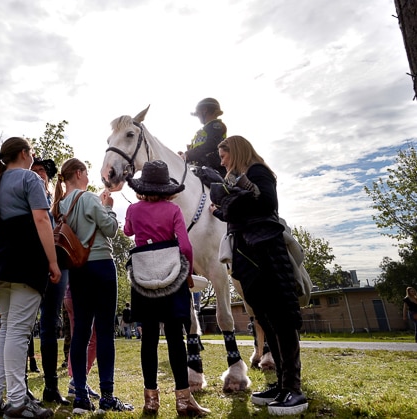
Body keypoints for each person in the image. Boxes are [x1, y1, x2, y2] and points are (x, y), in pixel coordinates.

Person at [210, 136, 308, 415]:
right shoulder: (238, 179)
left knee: (281, 317)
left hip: (266, 252)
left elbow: (267, 203)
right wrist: (221, 210)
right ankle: (280, 384)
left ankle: (294, 389)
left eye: (224, 155)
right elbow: (236, 213)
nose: (221, 161)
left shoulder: (257, 172)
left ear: (236, 151)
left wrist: (231, 200)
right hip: (246, 254)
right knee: (264, 317)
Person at [0, 137, 60, 419]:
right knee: (18, 331)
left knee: (6, 329)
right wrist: (52, 261)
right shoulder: (30, 179)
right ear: (25, 154)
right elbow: (41, 220)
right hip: (27, 258)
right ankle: (17, 401)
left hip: (1, 258)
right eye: (33, 153)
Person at [123, 160, 209, 417]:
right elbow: (185, 247)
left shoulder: (134, 210)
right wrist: (188, 275)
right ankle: (183, 400)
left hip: (144, 277)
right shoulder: (173, 211)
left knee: (148, 340)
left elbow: (128, 231)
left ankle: (151, 401)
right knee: (174, 338)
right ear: (166, 187)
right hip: (172, 276)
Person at [54, 158, 133, 414]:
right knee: (105, 332)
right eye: (86, 173)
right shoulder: (87, 199)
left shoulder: (62, 205)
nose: (89, 178)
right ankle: (107, 396)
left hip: (78, 271)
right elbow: (110, 229)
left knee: (81, 333)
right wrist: (108, 206)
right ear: (78, 173)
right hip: (101, 267)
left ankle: (80, 397)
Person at [29, 156, 70, 405]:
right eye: (34, 170)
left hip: (58, 265)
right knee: (23, 326)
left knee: (50, 325)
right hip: (33, 265)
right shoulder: (27, 198)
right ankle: (21, 385)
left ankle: (51, 386)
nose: (38, 174)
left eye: (42, 170)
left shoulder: (58, 202)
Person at [180, 97, 227, 177]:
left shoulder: (215, 126)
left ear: (204, 110)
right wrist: (185, 155)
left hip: (214, 170)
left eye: (198, 113)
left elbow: (212, 144)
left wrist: (189, 155)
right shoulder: (205, 129)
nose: (197, 116)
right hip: (201, 168)